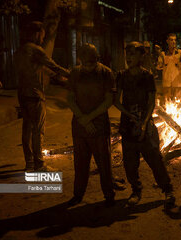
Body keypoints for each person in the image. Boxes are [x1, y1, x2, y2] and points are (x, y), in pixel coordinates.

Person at [114, 41, 175, 208]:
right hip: (128, 126)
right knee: (130, 163)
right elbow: (116, 101)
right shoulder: (122, 76)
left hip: (145, 126)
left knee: (155, 159)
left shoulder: (147, 76)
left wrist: (144, 122)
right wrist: (129, 116)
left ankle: (168, 189)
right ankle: (136, 190)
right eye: (128, 54)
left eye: (133, 54)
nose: (129, 58)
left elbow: (151, 103)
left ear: (142, 56)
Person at [15, 21, 70, 171]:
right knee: (38, 130)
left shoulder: (21, 50)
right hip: (35, 95)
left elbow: (42, 70)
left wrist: (60, 79)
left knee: (26, 128)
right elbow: (53, 66)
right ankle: (39, 164)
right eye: (42, 36)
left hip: (23, 94)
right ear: (37, 33)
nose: (42, 39)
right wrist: (73, 75)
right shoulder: (35, 49)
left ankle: (29, 163)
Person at [66, 43, 116, 207]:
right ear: (80, 60)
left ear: (97, 59)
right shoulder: (75, 73)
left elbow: (109, 100)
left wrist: (89, 118)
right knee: (80, 164)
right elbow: (71, 99)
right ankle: (78, 194)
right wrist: (83, 118)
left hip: (99, 126)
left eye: (92, 63)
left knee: (104, 163)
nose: (88, 66)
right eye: (85, 63)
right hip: (80, 127)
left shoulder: (105, 73)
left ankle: (109, 194)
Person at [157, 33, 181, 100]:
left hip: (178, 82)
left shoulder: (180, 53)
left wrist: (178, 63)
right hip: (167, 82)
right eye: (171, 40)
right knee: (167, 103)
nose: (173, 42)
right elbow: (158, 67)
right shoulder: (163, 54)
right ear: (167, 41)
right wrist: (163, 64)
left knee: (178, 102)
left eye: (175, 40)